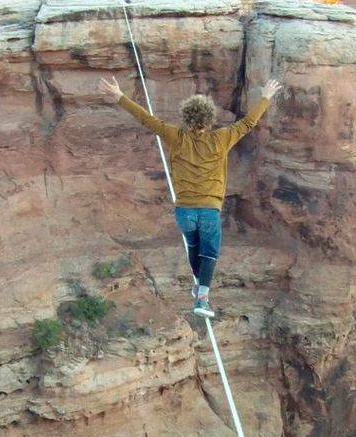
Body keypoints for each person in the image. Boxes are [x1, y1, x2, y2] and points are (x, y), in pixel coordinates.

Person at [99, 76, 283, 318]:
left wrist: (120, 97)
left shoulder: (176, 136)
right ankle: (203, 300)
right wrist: (266, 98)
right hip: (209, 209)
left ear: (186, 117)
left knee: (195, 247)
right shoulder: (222, 138)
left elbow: (147, 119)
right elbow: (248, 123)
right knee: (210, 253)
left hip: (184, 211)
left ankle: (198, 289)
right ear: (209, 118)